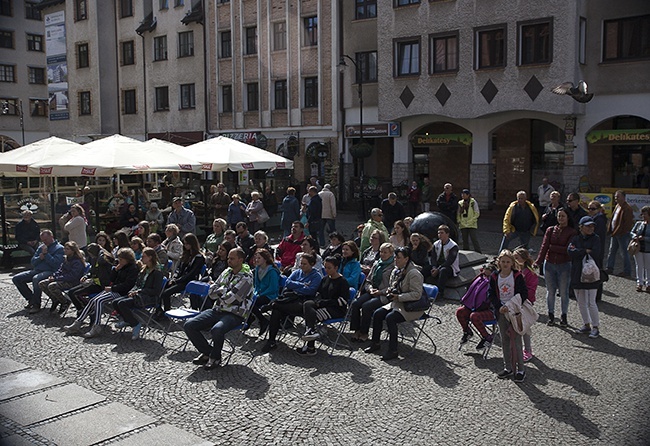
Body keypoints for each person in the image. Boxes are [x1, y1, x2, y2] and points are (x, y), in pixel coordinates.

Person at [184, 247, 254, 370]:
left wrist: (221, 290)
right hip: (218, 309)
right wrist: (223, 291)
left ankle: (215, 358)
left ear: (240, 260)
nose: (229, 261)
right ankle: (208, 352)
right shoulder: (226, 271)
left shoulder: (247, 278)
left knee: (217, 329)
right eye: (228, 258)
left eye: (232, 258)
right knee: (189, 325)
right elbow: (211, 292)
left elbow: (233, 299)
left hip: (234, 314)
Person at [364, 246, 425, 361]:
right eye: (395, 257)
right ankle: (375, 343)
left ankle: (393, 350)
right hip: (397, 303)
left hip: (411, 307)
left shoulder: (414, 273)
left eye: (399, 258)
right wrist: (389, 291)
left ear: (406, 259)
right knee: (377, 314)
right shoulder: (396, 270)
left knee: (390, 318)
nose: (396, 260)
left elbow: (417, 294)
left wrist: (399, 296)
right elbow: (392, 287)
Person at [63, 248, 139, 338]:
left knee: (99, 301)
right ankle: (78, 323)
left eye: (121, 259)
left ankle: (96, 326)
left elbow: (127, 285)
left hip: (122, 293)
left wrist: (112, 288)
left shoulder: (132, 269)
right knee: (93, 300)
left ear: (127, 259)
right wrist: (115, 270)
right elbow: (112, 279)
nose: (120, 261)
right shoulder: (121, 267)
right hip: (113, 289)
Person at [261, 253, 322, 353]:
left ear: (312, 264)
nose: (302, 266)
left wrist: (296, 287)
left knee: (277, 306)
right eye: (301, 263)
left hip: (303, 302)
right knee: (276, 311)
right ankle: (271, 340)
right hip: (290, 300)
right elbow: (287, 283)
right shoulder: (297, 272)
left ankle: (272, 304)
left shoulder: (316, 276)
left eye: (305, 264)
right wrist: (302, 285)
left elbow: (310, 290)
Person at [488, 249, 528, 383]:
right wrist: (499, 307)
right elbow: (491, 294)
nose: (505, 264)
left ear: (512, 263)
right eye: (503, 261)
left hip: (514, 312)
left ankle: (521, 369)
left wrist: (510, 306)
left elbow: (523, 294)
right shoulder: (494, 276)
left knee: (517, 340)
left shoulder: (517, 276)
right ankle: (508, 367)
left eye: (507, 261)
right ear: (499, 262)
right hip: (501, 312)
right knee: (504, 340)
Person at [297, 256, 350, 356]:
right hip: (323, 305)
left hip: (336, 309)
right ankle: (310, 334)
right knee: (307, 305)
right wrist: (317, 301)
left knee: (312, 316)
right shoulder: (325, 279)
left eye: (329, 268)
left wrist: (323, 303)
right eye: (325, 267)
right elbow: (318, 293)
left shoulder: (342, 282)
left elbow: (342, 301)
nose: (326, 270)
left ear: (336, 268)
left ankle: (310, 344)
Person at [534, 208, 576, 327]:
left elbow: (568, 250)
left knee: (564, 292)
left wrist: (552, 247)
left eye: (563, 216)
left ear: (567, 217)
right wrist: (538, 261)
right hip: (550, 264)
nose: (561, 218)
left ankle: (564, 315)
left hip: (564, 265)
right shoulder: (550, 229)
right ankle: (551, 315)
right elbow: (544, 246)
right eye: (559, 216)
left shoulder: (572, 232)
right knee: (550, 291)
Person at [113, 247, 164, 340]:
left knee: (122, 303)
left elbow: (156, 290)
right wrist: (132, 291)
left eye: (143, 257)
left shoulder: (157, 272)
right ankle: (128, 320)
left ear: (150, 257)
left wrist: (139, 291)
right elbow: (137, 284)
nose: (141, 259)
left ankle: (135, 324)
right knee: (115, 302)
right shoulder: (144, 270)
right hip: (138, 295)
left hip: (148, 297)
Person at [349, 243, 395, 342]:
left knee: (367, 306)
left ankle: (364, 332)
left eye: (385, 252)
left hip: (383, 295)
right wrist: (369, 288)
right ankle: (356, 330)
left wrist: (380, 292)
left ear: (391, 254)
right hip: (372, 291)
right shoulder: (376, 263)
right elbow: (368, 280)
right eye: (381, 252)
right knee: (356, 303)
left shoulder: (393, 268)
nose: (382, 254)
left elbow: (392, 286)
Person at [12, 230, 65, 313]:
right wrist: (39, 258)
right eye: (43, 240)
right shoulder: (41, 247)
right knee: (16, 278)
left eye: (46, 240)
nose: (44, 242)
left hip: (50, 271)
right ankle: (31, 299)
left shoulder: (59, 248)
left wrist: (46, 255)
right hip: (37, 270)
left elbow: (56, 265)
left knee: (36, 279)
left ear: (51, 237)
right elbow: (33, 262)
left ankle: (37, 304)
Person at [569, 216, 603, 339]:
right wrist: (585, 251)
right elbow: (570, 252)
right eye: (588, 226)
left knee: (591, 302)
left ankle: (595, 327)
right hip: (577, 273)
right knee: (581, 302)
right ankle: (586, 324)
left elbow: (596, 252)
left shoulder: (596, 239)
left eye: (592, 226)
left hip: (591, 275)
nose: (591, 228)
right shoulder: (575, 238)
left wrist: (580, 251)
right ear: (581, 227)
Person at [159, 233, 205, 314]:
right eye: (184, 243)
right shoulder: (185, 255)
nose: (185, 245)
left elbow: (192, 273)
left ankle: (167, 312)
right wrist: (174, 278)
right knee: (160, 287)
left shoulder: (199, 257)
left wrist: (176, 281)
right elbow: (179, 269)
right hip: (179, 279)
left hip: (188, 281)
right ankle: (159, 310)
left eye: (187, 244)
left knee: (166, 293)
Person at [38, 241, 86, 315]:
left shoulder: (77, 261)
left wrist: (57, 278)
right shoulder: (66, 259)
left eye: (67, 249)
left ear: (73, 251)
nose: (65, 251)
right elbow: (60, 270)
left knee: (52, 286)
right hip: (63, 279)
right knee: (42, 284)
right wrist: (54, 276)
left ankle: (64, 302)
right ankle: (55, 299)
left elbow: (72, 276)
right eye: (64, 249)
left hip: (73, 282)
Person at [456, 263, 497, 350]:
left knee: (474, 316)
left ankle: (487, 337)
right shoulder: (479, 279)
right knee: (460, 312)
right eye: (484, 274)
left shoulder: (496, 283)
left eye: (488, 276)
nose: (485, 277)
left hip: (492, 310)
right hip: (477, 308)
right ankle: (467, 332)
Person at [67, 243, 115, 315]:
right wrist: (86, 276)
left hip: (101, 285)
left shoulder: (103, 261)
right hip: (93, 282)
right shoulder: (94, 260)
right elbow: (92, 271)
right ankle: (81, 309)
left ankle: (87, 309)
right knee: (71, 292)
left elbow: (102, 264)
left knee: (76, 294)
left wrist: (101, 253)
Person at [513, 247, 538, 362]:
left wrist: (522, 297)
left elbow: (531, 290)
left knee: (525, 327)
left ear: (523, 259)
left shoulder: (529, 273)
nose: (514, 260)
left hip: (525, 302)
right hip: (515, 302)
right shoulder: (514, 271)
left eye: (516, 258)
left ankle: (528, 350)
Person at [250, 248, 280, 336]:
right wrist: (255, 293)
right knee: (247, 300)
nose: (256, 260)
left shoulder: (272, 271)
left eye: (259, 258)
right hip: (260, 293)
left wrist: (260, 295)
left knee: (252, 302)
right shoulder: (257, 269)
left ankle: (262, 320)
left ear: (265, 259)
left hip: (270, 295)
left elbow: (273, 288)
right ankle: (251, 318)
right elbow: (256, 285)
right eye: (256, 258)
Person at [606, 190, 634, 278]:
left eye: (618, 197)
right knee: (611, 251)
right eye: (615, 197)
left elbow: (627, 223)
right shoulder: (617, 206)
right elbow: (613, 219)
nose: (616, 198)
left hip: (622, 234)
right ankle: (609, 267)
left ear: (623, 197)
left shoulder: (627, 208)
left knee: (624, 253)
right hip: (615, 233)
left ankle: (627, 271)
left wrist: (622, 232)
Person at [429, 225, 460, 297]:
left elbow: (450, 261)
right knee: (426, 268)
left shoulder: (453, 246)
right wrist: (434, 267)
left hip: (450, 267)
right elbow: (433, 257)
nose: (440, 235)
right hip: (437, 266)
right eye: (438, 233)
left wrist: (438, 269)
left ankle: (440, 292)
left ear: (447, 234)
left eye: (442, 233)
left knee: (443, 271)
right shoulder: (436, 244)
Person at [631, 206, 650, 292]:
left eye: (645, 214)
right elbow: (631, 232)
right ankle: (640, 283)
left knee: (648, 267)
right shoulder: (639, 223)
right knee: (639, 266)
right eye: (642, 214)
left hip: (648, 249)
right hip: (638, 248)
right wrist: (635, 236)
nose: (643, 216)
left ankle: (648, 284)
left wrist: (644, 238)